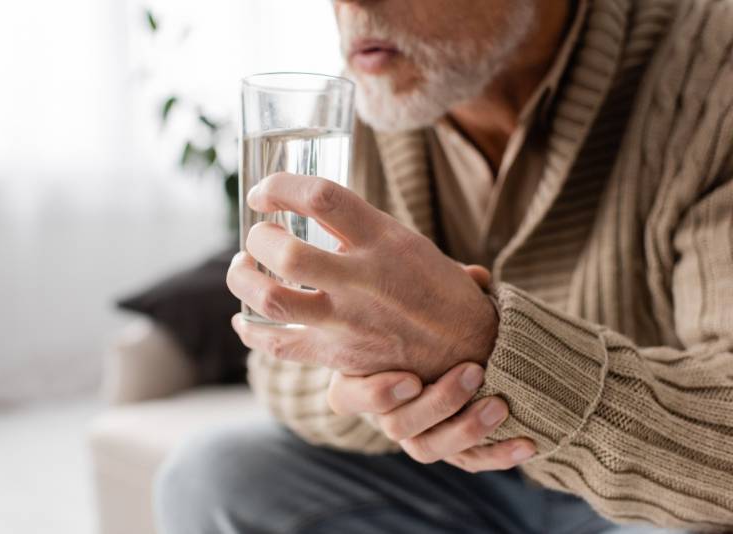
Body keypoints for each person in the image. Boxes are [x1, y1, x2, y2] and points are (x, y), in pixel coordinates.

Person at [156, 0, 733, 532]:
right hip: (451, 484)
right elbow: (284, 358)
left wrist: (481, 349)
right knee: (214, 477)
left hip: (646, 492)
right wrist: (390, 386)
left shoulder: (713, 68)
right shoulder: (375, 90)